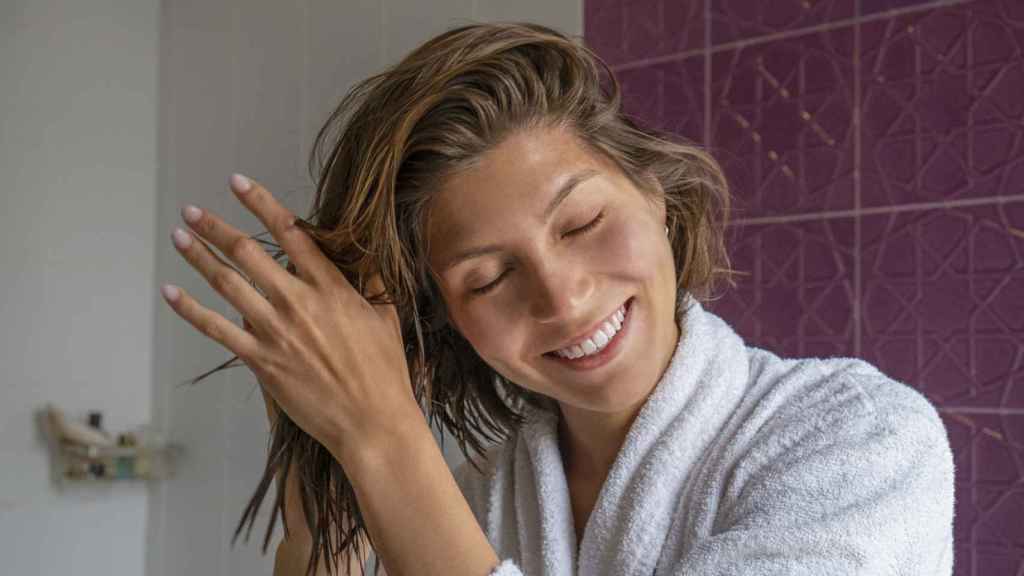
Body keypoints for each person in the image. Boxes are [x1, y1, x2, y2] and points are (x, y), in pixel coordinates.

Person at [164, 22, 955, 576]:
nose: (563, 295)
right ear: (447, 322)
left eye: (582, 222)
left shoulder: (861, 439)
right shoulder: (475, 499)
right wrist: (332, 482)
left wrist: (381, 435)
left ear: (658, 198)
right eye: (489, 278)